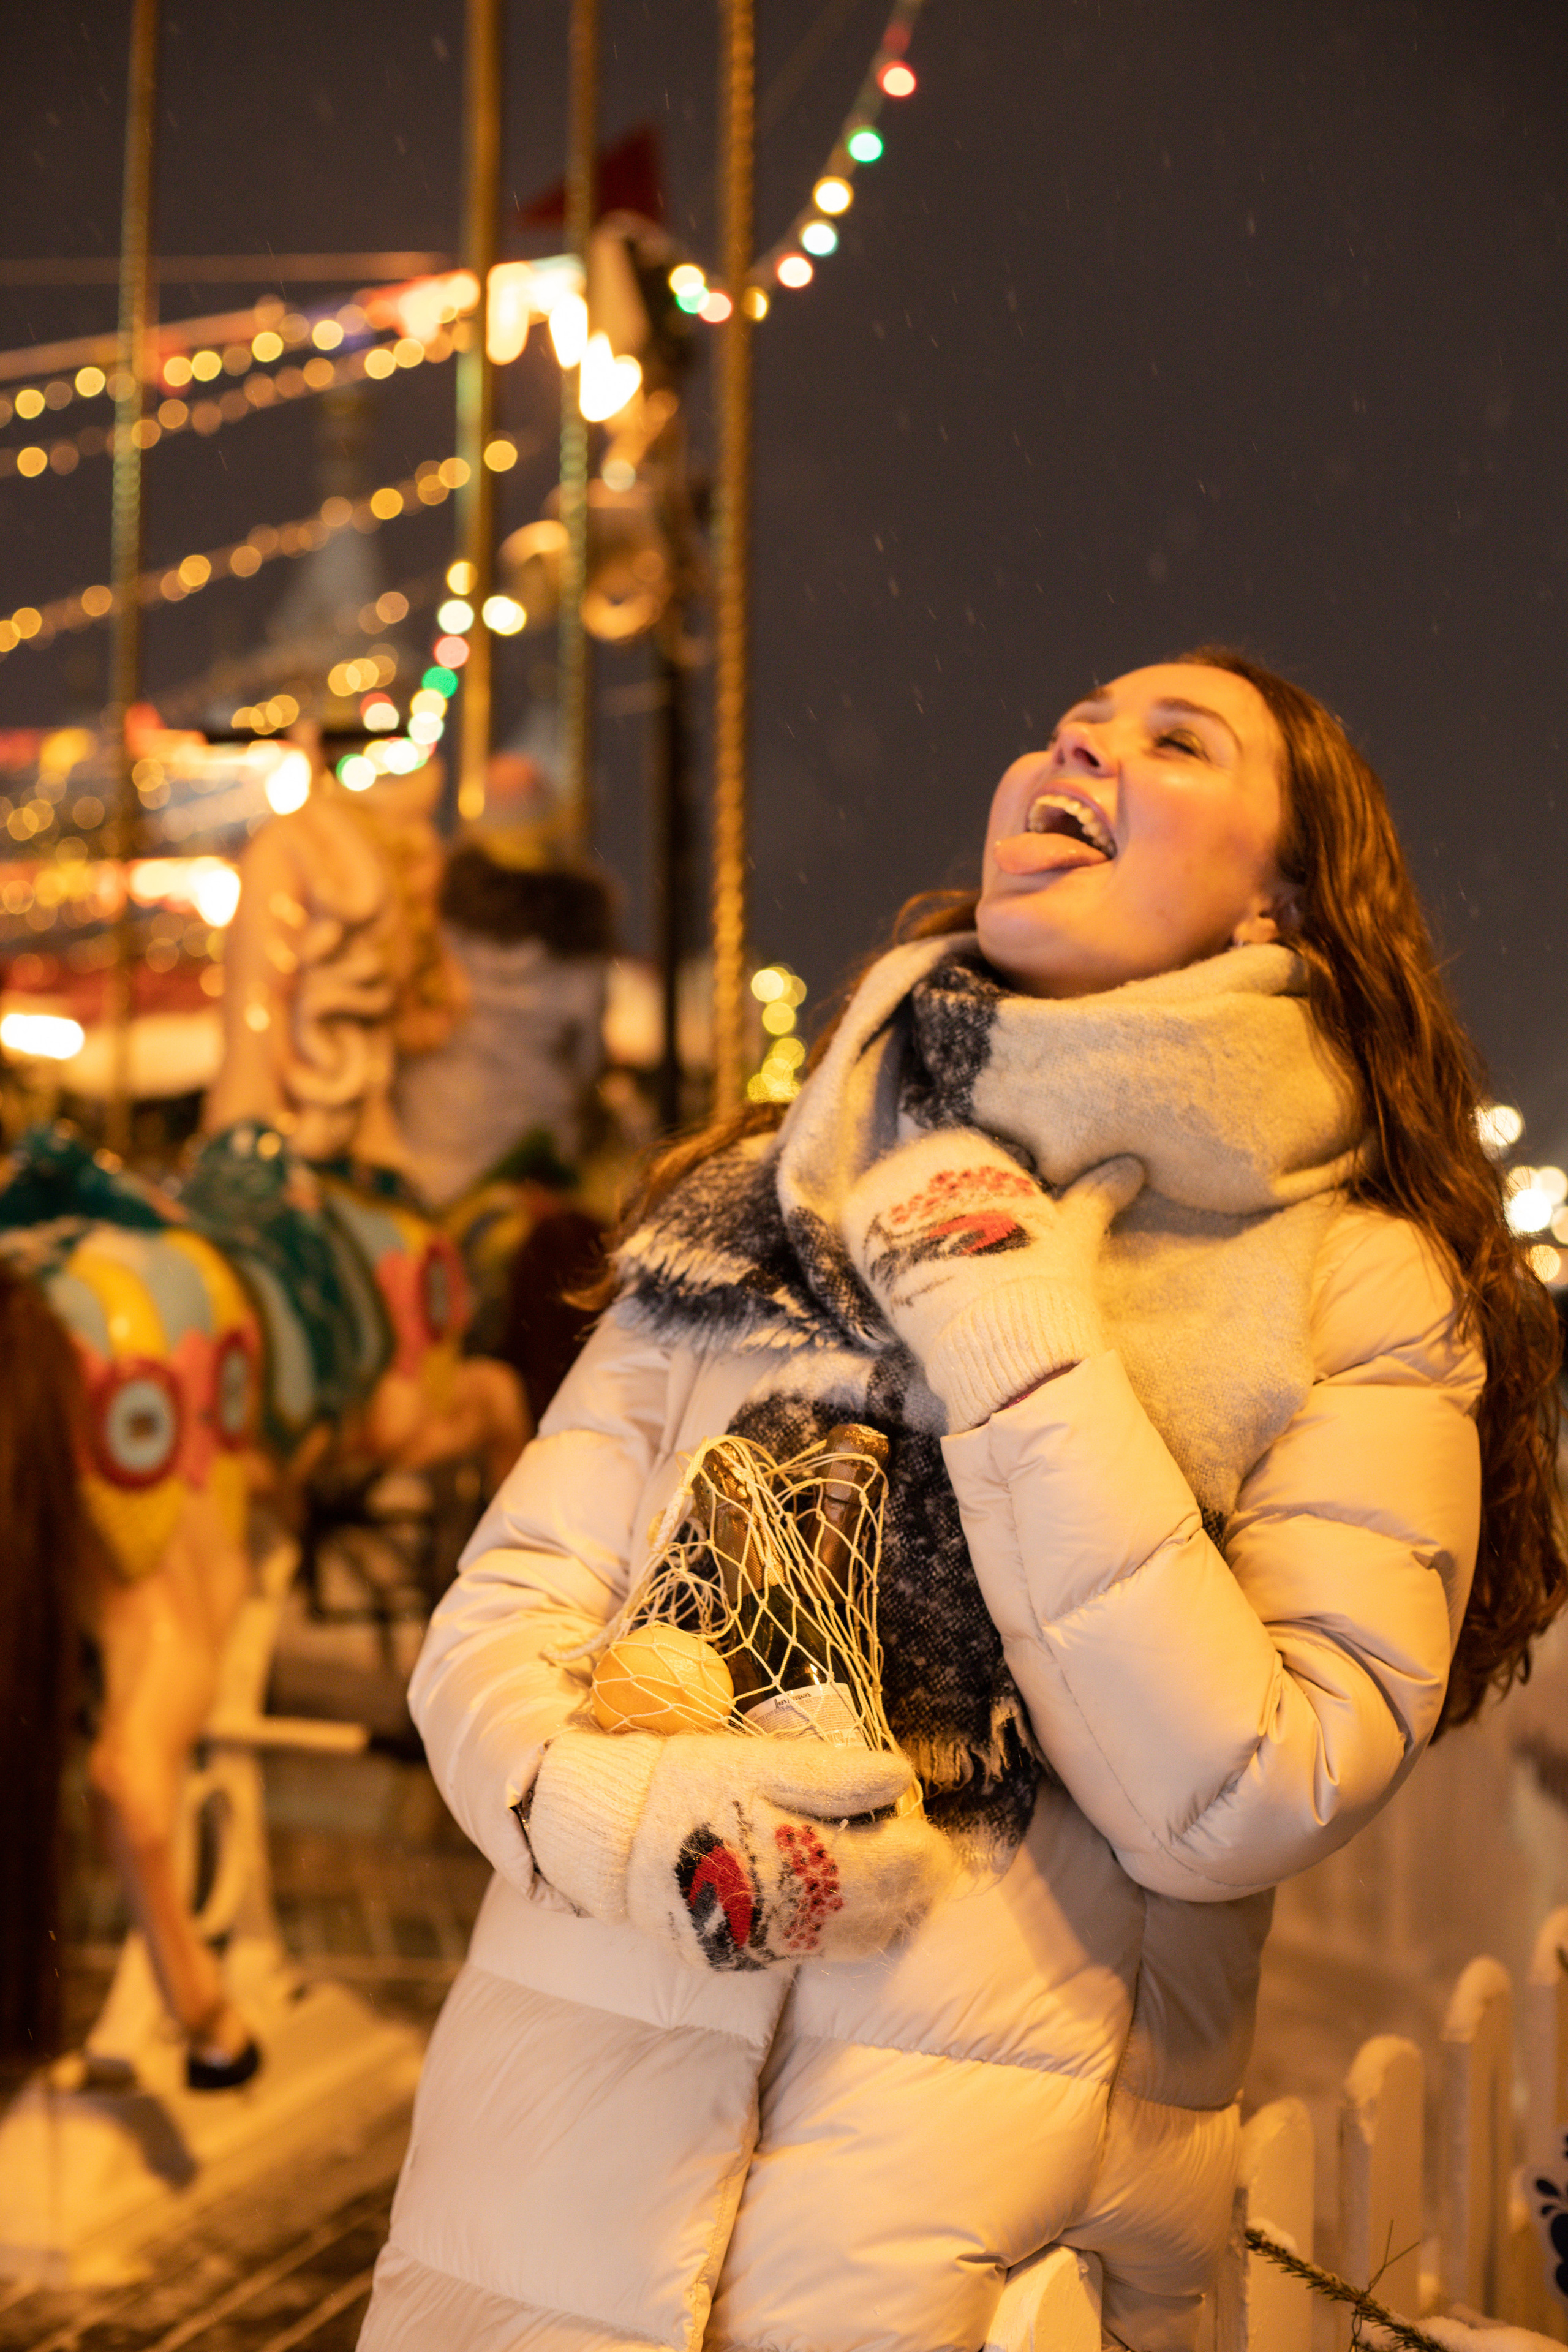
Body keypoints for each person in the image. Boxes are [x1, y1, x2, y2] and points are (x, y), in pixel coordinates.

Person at [358, 650, 1565, 2352]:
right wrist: (652, 1827)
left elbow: (1243, 1794)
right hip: (540, 2209)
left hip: (957, 2268)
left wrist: (1016, 1339)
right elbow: (500, 1625)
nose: (1082, 747)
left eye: (1176, 742)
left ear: (1282, 905)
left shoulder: (1349, 1288)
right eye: (1072, 726)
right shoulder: (765, 1202)